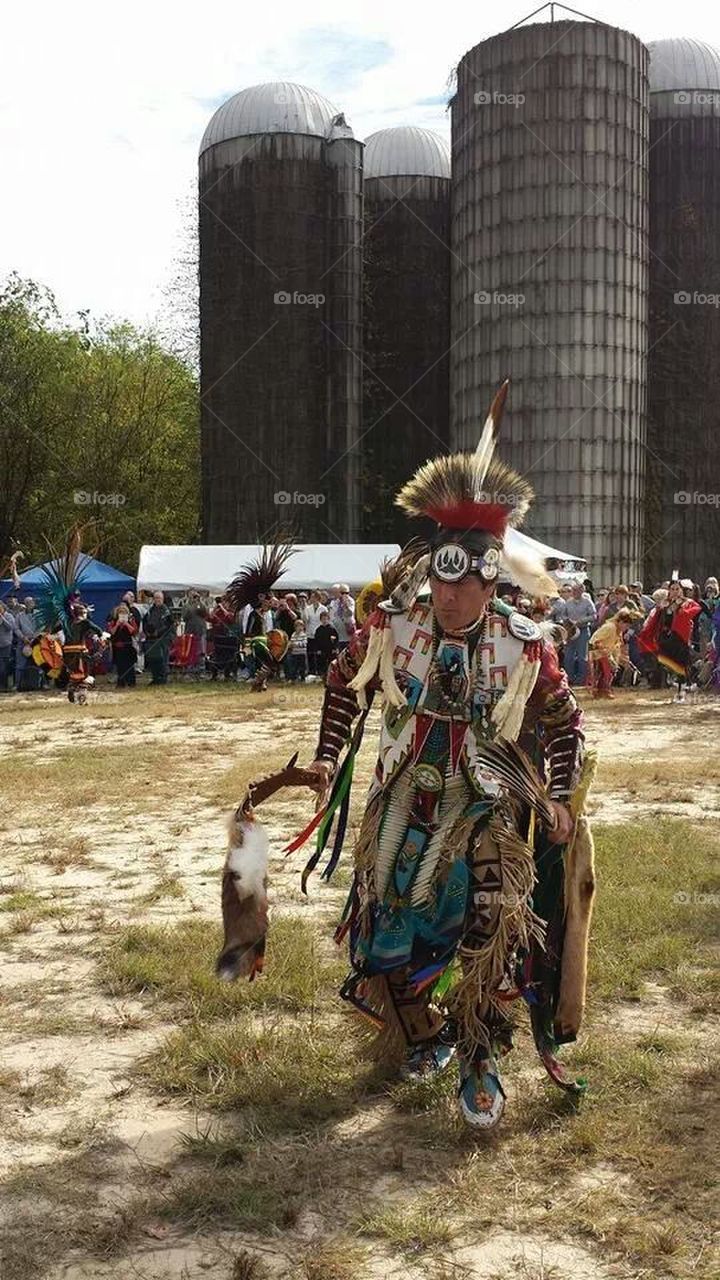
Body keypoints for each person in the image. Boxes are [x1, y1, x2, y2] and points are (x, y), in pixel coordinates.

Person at [298, 382, 588, 1131]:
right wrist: (329, 760)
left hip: (486, 799)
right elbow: (344, 689)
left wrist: (556, 796)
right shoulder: (394, 629)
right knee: (390, 916)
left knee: (491, 912)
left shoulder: (522, 645)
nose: (450, 595)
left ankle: (482, 1050)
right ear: (429, 570)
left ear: (492, 576)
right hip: (403, 791)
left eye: (466, 581)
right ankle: (419, 1025)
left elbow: (562, 724)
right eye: (441, 578)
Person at [638, 579, 702, 701]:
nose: (674, 591)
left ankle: (681, 692)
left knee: (680, 665)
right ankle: (680, 680)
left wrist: (682, 610)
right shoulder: (665, 603)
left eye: (677, 589)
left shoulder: (687, 602)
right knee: (664, 660)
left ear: (681, 590)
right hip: (665, 638)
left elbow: (697, 608)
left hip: (680, 638)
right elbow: (655, 620)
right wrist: (660, 609)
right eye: (672, 589)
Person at [587, 607, 643, 698]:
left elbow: (618, 646)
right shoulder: (610, 627)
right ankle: (601, 691)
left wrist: (624, 658)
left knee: (611, 670)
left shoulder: (618, 630)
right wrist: (603, 650)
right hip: (598, 653)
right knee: (606, 671)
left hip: (606, 653)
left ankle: (603, 690)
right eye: (626, 625)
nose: (626, 628)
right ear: (621, 622)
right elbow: (595, 641)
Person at [560, 583, 596, 685]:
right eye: (573, 590)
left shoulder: (587, 602)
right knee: (568, 656)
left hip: (583, 630)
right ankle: (569, 678)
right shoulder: (568, 602)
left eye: (577, 590)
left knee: (582, 656)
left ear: (582, 591)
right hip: (571, 631)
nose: (574, 592)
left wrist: (581, 620)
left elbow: (594, 616)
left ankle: (581, 679)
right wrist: (568, 621)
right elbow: (563, 615)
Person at [144, 591, 175, 685]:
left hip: (164, 639)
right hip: (152, 639)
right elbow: (145, 621)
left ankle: (163, 678)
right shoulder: (150, 610)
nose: (157, 600)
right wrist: (147, 632)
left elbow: (169, 625)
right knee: (153, 659)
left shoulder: (166, 610)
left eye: (159, 598)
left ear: (162, 599)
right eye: (156, 598)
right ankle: (155, 678)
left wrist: (158, 632)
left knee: (163, 659)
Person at [108, 603, 139, 688]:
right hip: (117, 646)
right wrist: (117, 625)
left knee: (129, 665)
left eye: (124, 612)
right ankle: (121, 683)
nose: (122, 614)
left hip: (128, 646)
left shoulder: (131, 620)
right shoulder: (113, 621)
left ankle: (131, 682)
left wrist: (126, 624)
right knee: (120, 666)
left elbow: (134, 632)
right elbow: (111, 632)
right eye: (120, 612)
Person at [313, 609, 339, 680]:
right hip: (322, 650)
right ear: (320, 620)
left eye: (326, 619)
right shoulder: (318, 630)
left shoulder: (332, 629)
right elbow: (316, 641)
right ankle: (323, 676)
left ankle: (332, 676)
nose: (324, 620)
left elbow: (336, 639)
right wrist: (317, 649)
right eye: (323, 619)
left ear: (328, 619)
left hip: (331, 650)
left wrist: (335, 648)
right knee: (322, 663)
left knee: (332, 663)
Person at [0, 602, 14, 692]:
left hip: (5, 644)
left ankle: (4, 685)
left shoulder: (8, 616)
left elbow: (10, 627)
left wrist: (2, 617)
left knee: (4, 666)